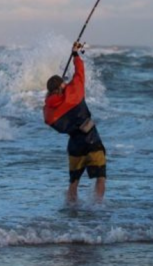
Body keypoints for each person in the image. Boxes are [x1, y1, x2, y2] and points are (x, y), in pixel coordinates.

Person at [43, 41, 106, 203]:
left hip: (74, 144)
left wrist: (50, 97)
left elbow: (48, 112)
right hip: (91, 138)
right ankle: (98, 207)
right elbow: (80, 73)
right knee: (100, 177)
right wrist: (75, 54)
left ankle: (72, 210)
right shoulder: (74, 92)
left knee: (73, 182)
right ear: (63, 85)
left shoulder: (50, 113)